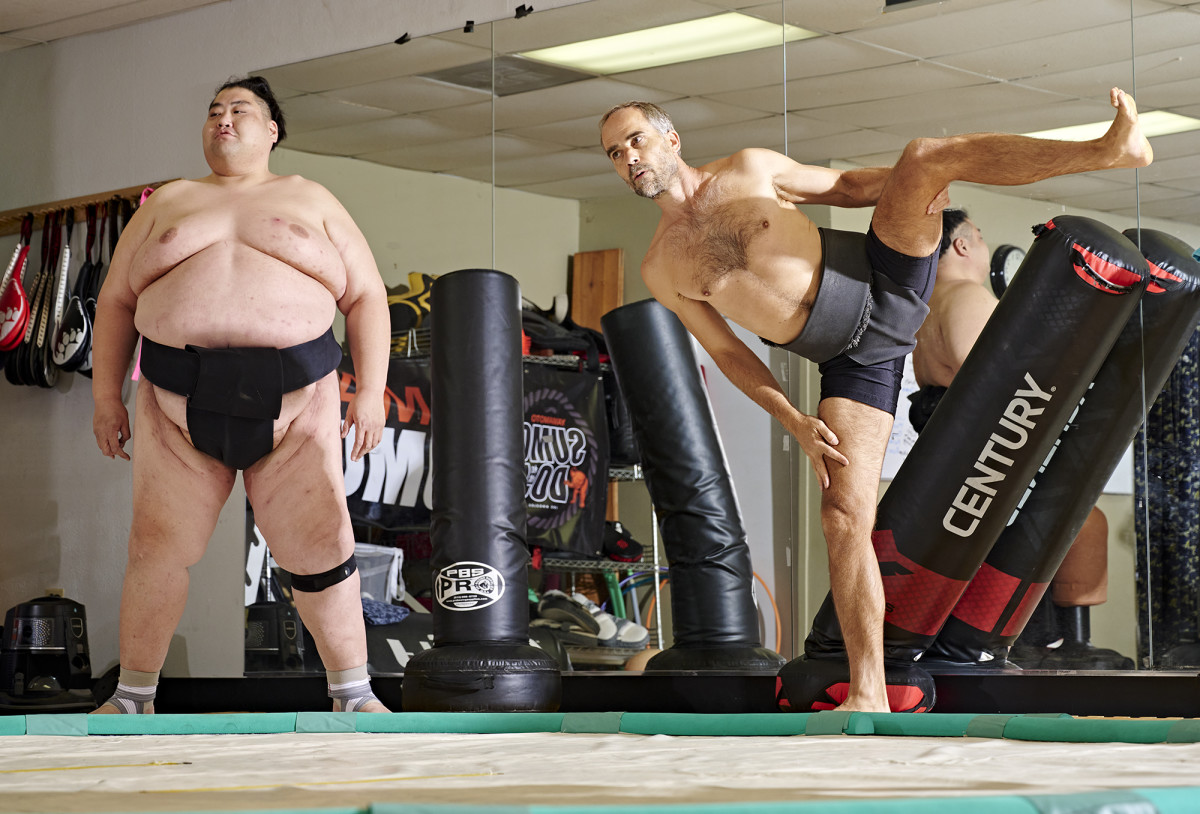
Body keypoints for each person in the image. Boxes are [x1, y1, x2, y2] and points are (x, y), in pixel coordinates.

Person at [598, 89, 1152, 712]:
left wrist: (909, 188)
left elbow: (840, 185)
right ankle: (868, 690)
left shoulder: (750, 168)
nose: (629, 158)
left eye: (636, 140)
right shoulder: (661, 266)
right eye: (615, 153)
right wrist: (795, 421)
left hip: (881, 280)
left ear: (671, 139)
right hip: (853, 362)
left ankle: (1108, 149)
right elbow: (730, 355)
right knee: (843, 517)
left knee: (925, 156)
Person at [91, 76, 391, 713]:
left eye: (239, 110)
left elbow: (366, 296)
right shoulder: (167, 201)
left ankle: (353, 693)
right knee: (154, 547)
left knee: (322, 543)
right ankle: (133, 695)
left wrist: (372, 393)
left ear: (273, 129)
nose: (222, 120)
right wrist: (104, 399)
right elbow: (115, 302)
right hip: (175, 398)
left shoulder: (312, 199)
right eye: (213, 112)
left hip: (298, 399)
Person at [912, 208, 1122, 669]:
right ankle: (1046, 643)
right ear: (964, 245)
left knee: (1059, 526)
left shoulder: (927, 309)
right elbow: (999, 388)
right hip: (991, 445)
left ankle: (1045, 642)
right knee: (1056, 526)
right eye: (981, 236)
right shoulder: (969, 298)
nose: (984, 247)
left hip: (955, 452)